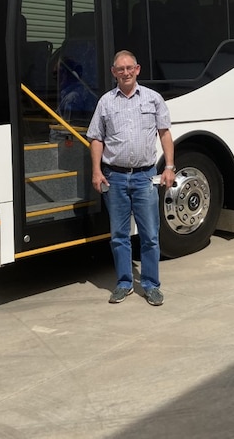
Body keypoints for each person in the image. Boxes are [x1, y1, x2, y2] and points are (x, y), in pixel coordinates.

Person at [86, 50, 176, 305]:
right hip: (114, 178)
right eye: (120, 69)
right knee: (119, 235)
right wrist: (96, 171)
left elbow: (165, 134)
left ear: (137, 70)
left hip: (145, 177)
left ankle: (150, 284)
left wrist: (169, 166)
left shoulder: (152, 99)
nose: (125, 72)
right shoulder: (105, 102)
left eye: (129, 68)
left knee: (150, 235)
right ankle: (124, 283)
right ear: (114, 73)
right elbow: (96, 139)